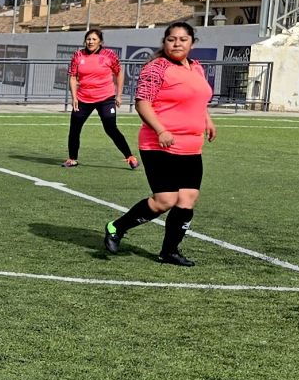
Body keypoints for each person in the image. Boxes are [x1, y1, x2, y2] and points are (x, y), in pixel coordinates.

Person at [103, 21, 217, 267]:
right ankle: (116, 227)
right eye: (171, 39)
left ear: (192, 43)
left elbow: (198, 99)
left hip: (191, 146)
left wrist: (207, 120)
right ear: (164, 42)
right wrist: (160, 130)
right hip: (159, 144)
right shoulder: (156, 68)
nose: (177, 43)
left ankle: (169, 251)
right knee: (165, 200)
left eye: (183, 39)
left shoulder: (196, 68)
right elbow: (142, 102)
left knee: (187, 200)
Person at [63, 29, 136, 169]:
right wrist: (74, 97)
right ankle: (72, 159)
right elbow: (72, 77)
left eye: (94, 39)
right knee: (74, 129)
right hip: (83, 98)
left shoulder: (109, 55)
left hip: (106, 98)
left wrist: (119, 95)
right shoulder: (78, 55)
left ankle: (130, 156)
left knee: (111, 129)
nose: (90, 42)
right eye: (88, 39)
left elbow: (119, 73)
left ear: (100, 42)